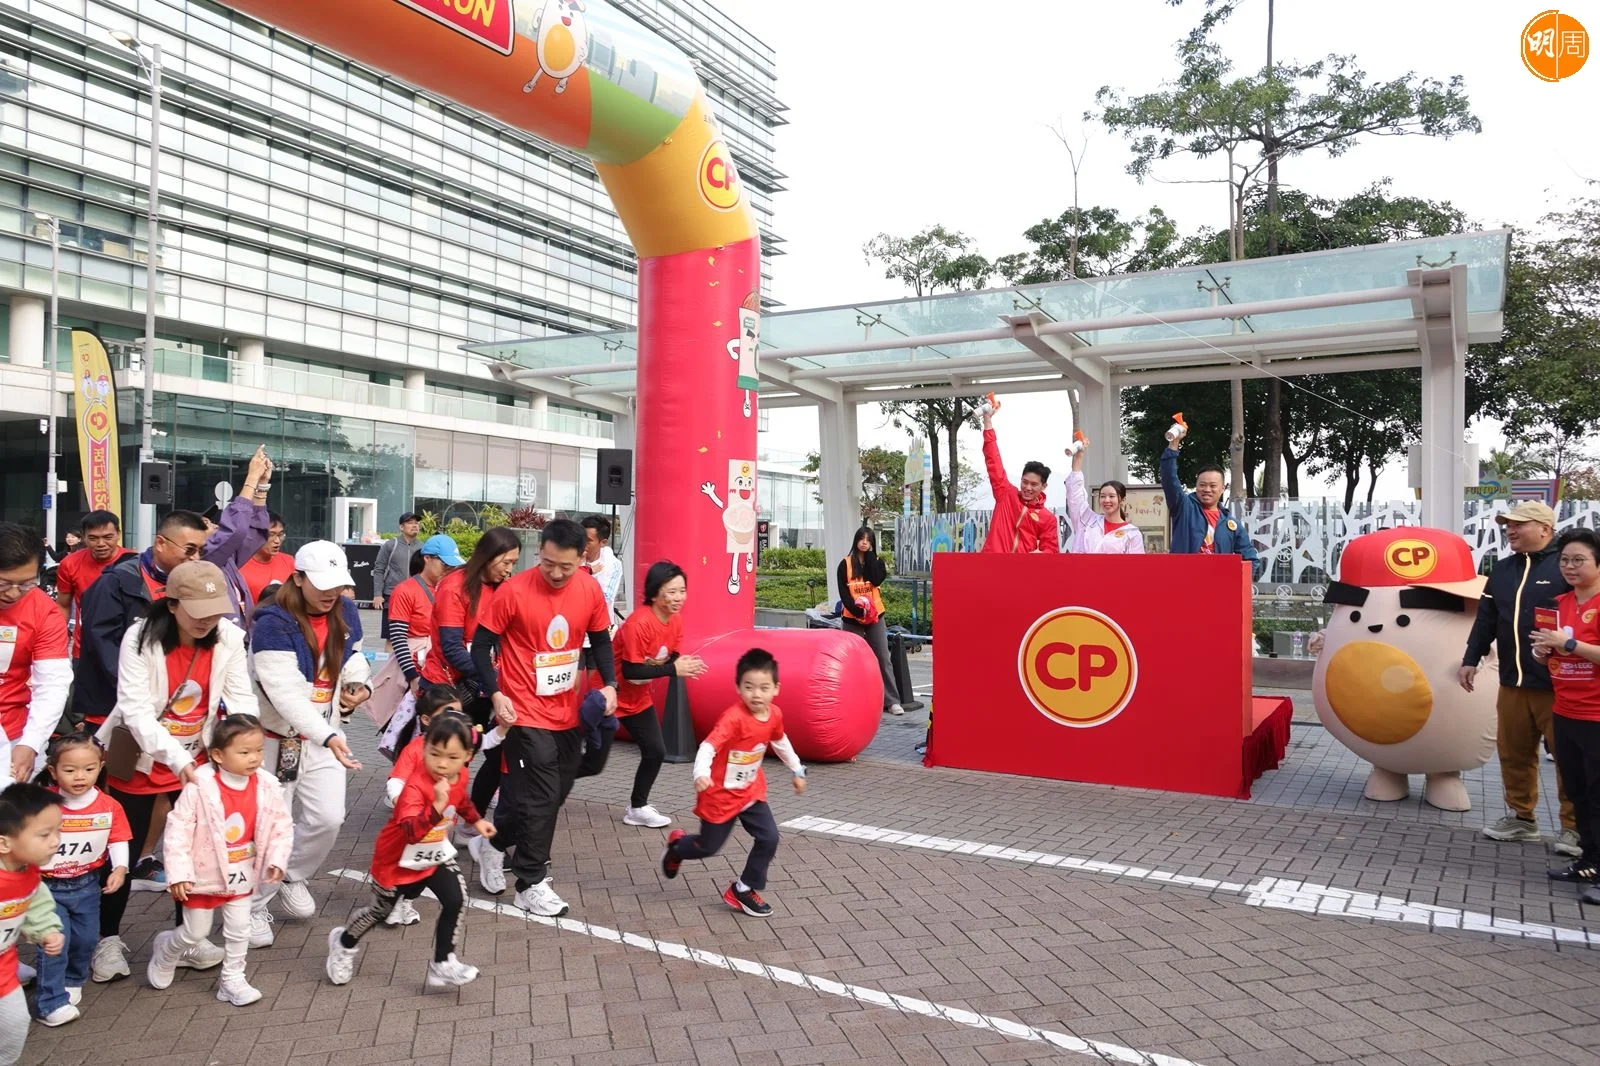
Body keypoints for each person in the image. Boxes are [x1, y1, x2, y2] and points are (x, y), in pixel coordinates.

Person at [90, 559, 260, 983]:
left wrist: (241, 747)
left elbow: (241, 699)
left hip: (198, 756)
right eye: (197, 611)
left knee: (196, 848)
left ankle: (187, 937)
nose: (206, 621)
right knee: (123, 849)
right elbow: (135, 710)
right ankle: (106, 939)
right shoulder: (140, 638)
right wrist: (176, 758)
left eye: (215, 611)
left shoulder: (228, 637)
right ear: (171, 604)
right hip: (144, 755)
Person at [470, 518, 615, 917]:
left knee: (547, 797)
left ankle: (493, 843)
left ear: (582, 558)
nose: (555, 573)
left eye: (565, 566)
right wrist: (496, 693)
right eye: (548, 563)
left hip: (566, 712)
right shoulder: (513, 591)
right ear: (540, 553)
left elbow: (601, 641)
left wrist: (610, 684)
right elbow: (480, 646)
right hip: (522, 712)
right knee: (542, 796)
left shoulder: (589, 589)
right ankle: (530, 883)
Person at [250, 542, 370, 943]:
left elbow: (352, 655)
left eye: (337, 584)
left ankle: (291, 876)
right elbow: (284, 695)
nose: (331, 593)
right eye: (321, 584)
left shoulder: (345, 609)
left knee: (328, 818)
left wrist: (360, 684)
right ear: (298, 579)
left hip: (324, 735)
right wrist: (329, 734)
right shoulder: (272, 622)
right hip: (276, 739)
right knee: (273, 825)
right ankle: (253, 908)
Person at [324, 713, 493, 989]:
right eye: (434, 754)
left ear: (467, 757)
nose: (442, 764)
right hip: (396, 860)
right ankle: (343, 943)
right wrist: (436, 807)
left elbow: (461, 799)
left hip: (433, 852)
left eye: (452, 757)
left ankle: (443, 963)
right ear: (424, 749)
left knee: (456, 899)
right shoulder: (414, 788)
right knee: (380, 912)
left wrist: (476, 821)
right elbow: (413, 832)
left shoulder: (459, 774)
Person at [1459, 501, 1579, 855]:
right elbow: (1486, 619)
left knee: (1569, 759)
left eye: (1518, 524)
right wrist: (1470, 659)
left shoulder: (1566, 569)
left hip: (1559, 684)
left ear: (1545, 529)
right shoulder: (1502, 570)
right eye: (1507, 525)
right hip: (1512, 681)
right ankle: (1522, 819)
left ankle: (1574, 828)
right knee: (1513, 753)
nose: (1510, 530)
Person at [148, 716, 292, 1006]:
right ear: (217, 755)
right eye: (244, 752)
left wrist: (277, 858)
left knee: (240, 928)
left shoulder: (267, 784)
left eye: (259, 750)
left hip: (243, 869)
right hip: (203, 873)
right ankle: (168, 949)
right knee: (195, 932)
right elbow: (178, 829)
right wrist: (179, 873)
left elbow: (281, 824)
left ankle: (232, 980)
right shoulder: (200, 784)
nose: (254, 758)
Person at [660, 647, 806, 918]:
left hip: (750, 792)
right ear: (738, 688)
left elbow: (780, 741)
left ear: (776, 689)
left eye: (764, 688)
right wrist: (700, 774)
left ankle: (742, 889)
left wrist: (797, 770)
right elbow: (708, 746)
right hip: (719, 794)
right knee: (708, 847)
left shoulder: (774, 714)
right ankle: (677, 848)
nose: (756, 694)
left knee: (769, 837)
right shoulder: (734, 717)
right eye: (749, 687)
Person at [575, 561, 707, 828]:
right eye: (671, 591)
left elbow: (670, 656)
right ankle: (544, 779)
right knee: (593, 764)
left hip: (637, 699)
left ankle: (637, 807)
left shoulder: (675, 620)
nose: (678, 597)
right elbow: (632, 671)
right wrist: (673, 670)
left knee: (655, 751)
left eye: (682, 591)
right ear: (655, 593)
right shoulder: (639, 623)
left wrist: (682, 664)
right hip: (609, 696)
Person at [422, 527, 520, 855]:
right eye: (505, 562)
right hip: (448, 686)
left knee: (491, 753)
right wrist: (490, 681)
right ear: (488, 557)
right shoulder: (455, 587)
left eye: (514, 563)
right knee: (448, 761)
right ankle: (428, 828)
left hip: (482, 685)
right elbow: (451, 647)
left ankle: (466, 825)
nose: (509, 569)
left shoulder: (504, 588)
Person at [68, 509, 209, 735]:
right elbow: (103, 646)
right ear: (161, 543)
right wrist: (144, 692)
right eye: (190, 549)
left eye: (202, 550)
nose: (196, 558)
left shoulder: (191, 581)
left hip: (176, 708)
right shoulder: (115, 582)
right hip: (118, 707)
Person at [32, 734, 131, 1027]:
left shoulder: (109, 805)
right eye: (70, 769)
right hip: (47, 887)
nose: (80, 777)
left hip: (88, 885)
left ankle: (73, 979)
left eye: (89, 769)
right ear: (53, 771)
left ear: (100, 767)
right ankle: (50, 1002)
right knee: (54, 942)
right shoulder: (42, 804)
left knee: (86, 939)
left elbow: (118, 838)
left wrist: (120, 868)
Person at [1530, 528, 1600, 902]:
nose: (1570, 567)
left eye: (1579, 560)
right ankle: (1588, 861)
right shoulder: (1558, 604)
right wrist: (1543, 652)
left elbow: (1574, 647)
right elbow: (1551, 653)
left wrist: (1569, 643)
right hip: (1565, 710)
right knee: (1578, 792)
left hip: (1596, 715)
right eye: (1564, 560)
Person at [0, 522, 71, 790]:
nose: (13, 593)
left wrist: (31, 743)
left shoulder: (43, 611)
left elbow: (52, 684)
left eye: (26, 584)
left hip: (12, 734)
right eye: (3, 583)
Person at [0, 783, 66, 1066]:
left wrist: (46, 930)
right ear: (4, 843)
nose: (55, 841)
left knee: (15, 1023)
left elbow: (37, 902)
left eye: (58, 831)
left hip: (4, 967)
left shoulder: (30, 871)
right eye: (44, 834)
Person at [1158, 431, 1260, 575]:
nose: (1207, 490)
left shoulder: (1231, 524)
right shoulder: (1184, 508)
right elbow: (1170, 479)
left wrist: (1234, 581)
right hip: (1184, 580)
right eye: (1202, 485)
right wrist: (1174, 443)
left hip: (1217, 584)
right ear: (1196, 486)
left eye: (1213, 486)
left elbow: (1251, 560)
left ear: (1222, 489)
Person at [835, 528, 904, 716]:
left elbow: (876, 579)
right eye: (861, 539)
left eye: (868, 540)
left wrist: (871, 558)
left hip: (875, 617)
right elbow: (844, 594)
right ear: (855, 540)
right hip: (852, 618)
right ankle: (850, 699)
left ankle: (892, 701)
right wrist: (858, 610)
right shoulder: (845, 564)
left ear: (872, 542)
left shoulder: (877, 562)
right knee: (851, 660)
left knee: (883, 658)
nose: (864, 542)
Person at [385, 534, 464, 693]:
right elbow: (398, 638)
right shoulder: (404, 591)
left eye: (453, 566)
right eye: (445, 564)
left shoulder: (454, 590)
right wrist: (412, 676)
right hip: (413, 667)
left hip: (445, 669)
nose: (449, 570)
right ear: (427, 558)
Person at [978, 399, 1059, 554]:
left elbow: (1050, 549)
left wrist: (1041, 555)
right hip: (992, 564)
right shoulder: (1006, 494)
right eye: (1025, 482)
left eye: (1034, 484)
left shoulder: (1048, 518)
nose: (1028, 488)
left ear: (1044, 486)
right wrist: (988, 422)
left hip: (1021, 568)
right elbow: (993, 461)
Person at [53, 511, 135, 656]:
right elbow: (63, 605)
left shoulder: (134, 562)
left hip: (127, 651)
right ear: (83, 537)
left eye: (108, 537)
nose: (101, 544)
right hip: (84, 650)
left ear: (118, 534)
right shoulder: (69, 564)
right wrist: (56, 642)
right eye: (93, 538)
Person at [1064, 438, 1145, 554]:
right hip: (1082, 567)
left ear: (1122, 500)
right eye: (1102, 496)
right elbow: (1075, 496)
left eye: (1111, 496)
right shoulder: (1088, 521)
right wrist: (1078, 458)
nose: (1106, 500)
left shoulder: (1132, 533)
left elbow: (1136, 564)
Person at [372, 512, 424, 635]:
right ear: (401, 527)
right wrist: (378, 594)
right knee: (391, 637)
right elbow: (379, 569)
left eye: (416, 523)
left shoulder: (423, 547)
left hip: (415, 596)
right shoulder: (391, 545)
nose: (414, 525)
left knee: (413, 635)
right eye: (410, 523)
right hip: (392, 595)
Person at [238, 512, 295, 606]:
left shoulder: (289, 561)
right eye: (271, 535)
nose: (277, 541)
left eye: (280, 535)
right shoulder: (240, 565)